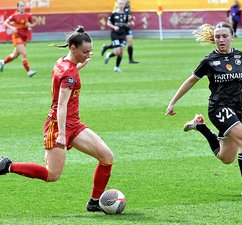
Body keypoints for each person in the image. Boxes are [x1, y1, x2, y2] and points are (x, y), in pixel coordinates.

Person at [0, 26, 114, 212]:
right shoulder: (69, 74)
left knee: (107, 157)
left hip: (74, 124)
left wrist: (79, 66)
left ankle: (94, 202)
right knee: (52, 175)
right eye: (85, 52)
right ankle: (7, 165)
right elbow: (61, 105)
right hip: (58, 125)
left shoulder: (62, 62)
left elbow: (68, 72)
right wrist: (61, 134)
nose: (88, 55)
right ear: (73, 48)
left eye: (90, 52)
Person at [165, 22, 242, 196]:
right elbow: (191, 80)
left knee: (226, 158)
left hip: (236, 109)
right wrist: (173, 102)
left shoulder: (241, 57)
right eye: (217, 37)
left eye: (224, 36)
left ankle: (200, 126)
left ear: (232, 37)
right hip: (218, 108)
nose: (221, 40)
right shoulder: (209, 60)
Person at [0, 0, 37, 77]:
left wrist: (29, 24)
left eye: (23, 6)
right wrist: (12, 27)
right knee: (24, 54)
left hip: (24, 37)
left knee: (15, 55)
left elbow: (33, 24)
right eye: (20, 6)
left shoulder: (28, 15)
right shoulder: (14, 16)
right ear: (18, 7)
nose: (22, 7)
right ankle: (29, 71)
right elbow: (5, 22)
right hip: (17, 36)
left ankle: (2, 62)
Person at [101, 0, 139, 64]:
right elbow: (111, 20)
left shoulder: (128, 7)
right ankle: (107, 49)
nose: (129, 0)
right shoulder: (116, 9)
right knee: (118, 49)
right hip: (117, 32)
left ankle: (129, 60)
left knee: (128, 45)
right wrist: (114, 26)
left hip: (125, 29)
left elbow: (127, 18)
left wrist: (131, 20)